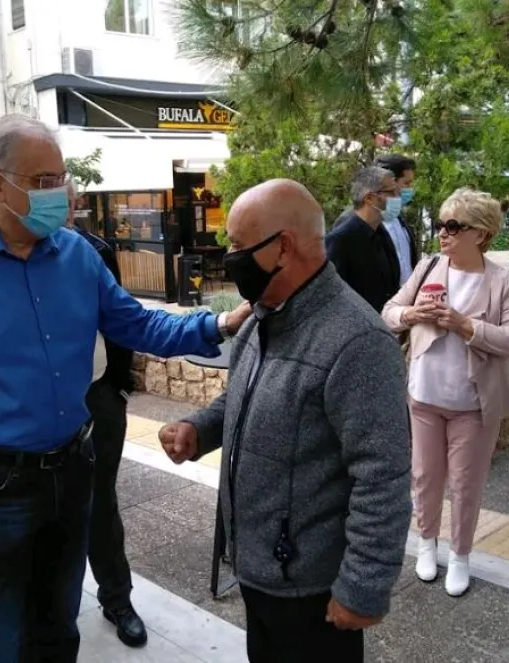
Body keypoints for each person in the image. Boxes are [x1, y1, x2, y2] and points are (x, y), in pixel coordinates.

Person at [0, 114, 252, 663]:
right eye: (43, 181)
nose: (59, 192)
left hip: (73, 467)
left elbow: (136, 323)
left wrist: (219, 324)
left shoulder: (77, 254)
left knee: (59, 626)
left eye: (60, 178)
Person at [158, 179, 411, 663]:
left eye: (238, 246)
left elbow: (383, 476)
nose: (229, 257)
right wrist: (200, 428)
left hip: (312, 591)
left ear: (283, 247)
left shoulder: (357, 342)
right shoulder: (262, 317)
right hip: (259, 569)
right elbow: (244, 395)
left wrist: (362, 588)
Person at [383, 188, 509, 596]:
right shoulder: (428, 267)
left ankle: (461, 554)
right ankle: (426, 543)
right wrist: (411, 314)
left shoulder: (504, 283)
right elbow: (388, 312)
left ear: (480, 234)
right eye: (440, 224)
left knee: (466, 484)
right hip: (424, 397)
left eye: (453, 226)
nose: (442, 233)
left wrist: (466, 326)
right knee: (424, 477)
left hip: (474, 404)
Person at [66, 180, 146, 647]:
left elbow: (125, 320)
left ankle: (117, 598)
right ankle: (53, 608)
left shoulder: (93, 253)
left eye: (67, 200)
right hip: (42, 406)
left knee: (101, 502)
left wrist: (117, 386)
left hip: (98, 395)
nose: (62, 209)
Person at [325, 166, 401, 312]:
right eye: (391, 192)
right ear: (370, 198)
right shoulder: (340, 240)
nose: (398, 197)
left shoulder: (382, 234)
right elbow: (333, 298)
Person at [374, 154, 420, 284]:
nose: (410, 189)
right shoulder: (361, 226)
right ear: (390, 182)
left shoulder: (402, 224)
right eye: (407, 183)